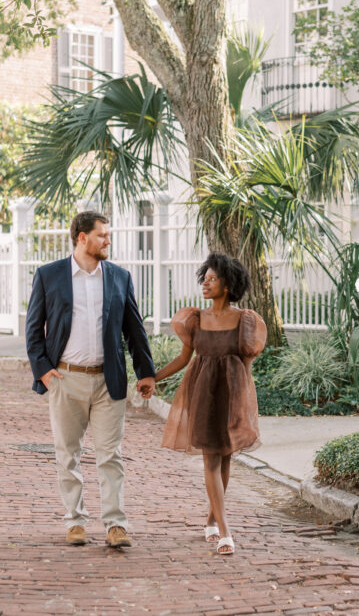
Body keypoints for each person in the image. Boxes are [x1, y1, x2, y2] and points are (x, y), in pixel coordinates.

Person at [24, 211, 156, 548]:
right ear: (82, 238)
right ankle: (75, 521)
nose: (108, 240)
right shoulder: (49, 275)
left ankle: (115, 524)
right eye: (102, 235)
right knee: (68, 454)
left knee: (110, 455)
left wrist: (146, 373)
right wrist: (43, 370)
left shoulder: (119, 277)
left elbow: (134, 331)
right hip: (65, 379)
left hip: (107, 380)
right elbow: (33, 329)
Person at [152, 252, 267, 556]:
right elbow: (182, 359)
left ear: (227, 285)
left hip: (232, 394)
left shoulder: (245, 321)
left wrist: (244, 403)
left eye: (212, 278)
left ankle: (211, 520)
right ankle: (224, 530)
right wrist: (154, 378)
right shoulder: (196, 319)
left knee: (225, 458)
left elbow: (246, 366)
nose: (205, 283)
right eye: (204, 277)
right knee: (211, 460)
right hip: (202, 393)